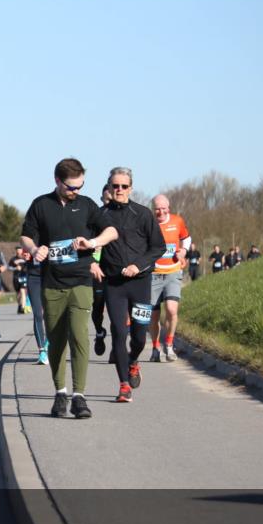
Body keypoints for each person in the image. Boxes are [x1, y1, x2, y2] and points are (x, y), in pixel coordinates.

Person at [21, 157, 117, 419]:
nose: (76, 192)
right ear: (57, 181)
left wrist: (92, 242)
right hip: (52, 284)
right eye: (71, 187)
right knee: (57, 341)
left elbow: (112, 231)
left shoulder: (86, 206)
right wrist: (34, 248)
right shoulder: (41, 205)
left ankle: (80, 396)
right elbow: (27, 235)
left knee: (78, 336)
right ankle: (60, 393)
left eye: (80, 186)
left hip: (80, 282)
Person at [94, 169, 166, 402]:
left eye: (124, 186)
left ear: (131, 188)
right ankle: (124, 384)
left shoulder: (143, 214)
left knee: (138, 335)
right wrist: (91, 265)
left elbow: (158, 247)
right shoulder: (99, 215)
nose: (119, 190)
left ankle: (134, 361)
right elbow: (87, 246)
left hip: (140, 282)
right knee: (118, 331)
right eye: (115, 186)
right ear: (109, 187)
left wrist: (138, 265)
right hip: (114, 284)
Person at [148, 194, 190, 363]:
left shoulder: (177, 221)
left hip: (173, 272)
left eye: (163, 208)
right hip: (153, 274)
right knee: (154, 316)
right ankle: (155, 347)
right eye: (157, 209)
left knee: (172, 310)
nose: (160, 212)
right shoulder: (148, 224)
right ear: (153, 209)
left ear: (168, 208)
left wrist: (183, 252)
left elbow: (186, 239)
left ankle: (170, 345)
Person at [92, 184, 111, 357]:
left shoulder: (123, 216)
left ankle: (117, 349)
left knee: (116, 311)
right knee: (97, 308)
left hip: (116, 269)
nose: (109, 202)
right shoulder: (95, 216)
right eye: (106, 199)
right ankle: (99, 332)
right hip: (98, 269)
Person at [24, 244, 49, 364]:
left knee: (51, 314)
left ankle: (48, 343)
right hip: (34, 278)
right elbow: (24, 251)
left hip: (51, 277)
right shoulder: (30, 237)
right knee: (38, 314)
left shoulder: (51, 232)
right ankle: (42, 350)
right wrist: (26, 254)